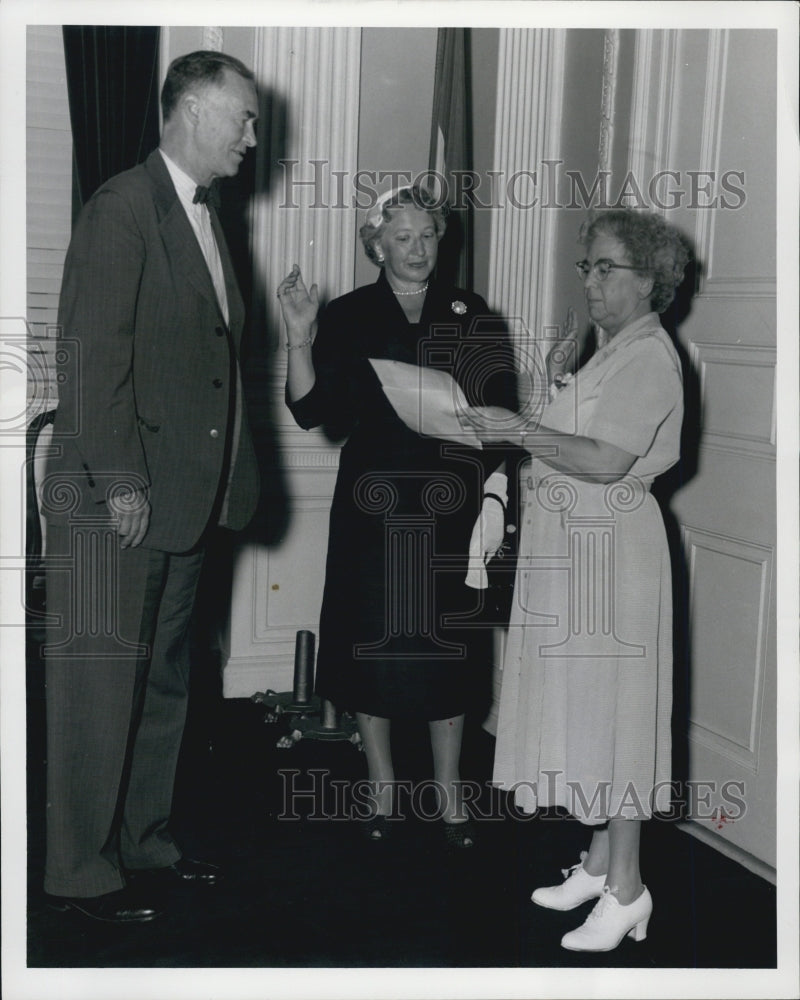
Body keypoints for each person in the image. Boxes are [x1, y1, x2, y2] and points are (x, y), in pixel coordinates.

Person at [41, 50, 261, 923]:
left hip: (183, 498)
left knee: (164, 679)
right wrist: (125, 483)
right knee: (98, 685)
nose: (252, 136)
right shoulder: (122, 208)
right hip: (113, 498)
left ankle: (143, 838)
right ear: (194, 110)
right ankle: (78, 871)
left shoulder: (207, 215)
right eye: (243, 118)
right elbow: (91, 363)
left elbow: (207, 361)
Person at [465, 208, 689, 950]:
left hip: (612, 556)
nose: (589, 281)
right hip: (577, 551)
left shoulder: (651, 356)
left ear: (650, 281)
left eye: (605, 269)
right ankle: (600, 862)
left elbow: (603, 459)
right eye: (585, 267)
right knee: (588, 709)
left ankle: (628, 889)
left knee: (618, 719)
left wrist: (515, 428)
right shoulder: (609, 351)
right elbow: (572, 437)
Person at [277, 186, 517, 847]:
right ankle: (381, 784)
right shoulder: (351, 315)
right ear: (376, 245)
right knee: (371, 640)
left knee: (449, 646)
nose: (419, 249)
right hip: (374, 502)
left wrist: (488, 467)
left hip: (451, 502)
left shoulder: (474, 316)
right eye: (404, 238)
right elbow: (311, 410)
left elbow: (504, 417)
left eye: (428, 236)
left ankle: (448, 790)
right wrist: (300, 338)